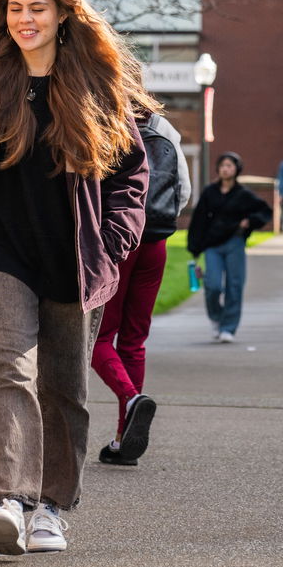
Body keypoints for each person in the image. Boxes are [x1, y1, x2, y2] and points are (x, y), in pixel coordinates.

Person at [0, 0, 148, 557]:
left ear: (61, 16)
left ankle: (53, 507)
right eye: (15, 8)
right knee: (10, 372)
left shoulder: (96, 84)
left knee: (65, 387)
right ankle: (8, 501)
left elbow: (132, 174)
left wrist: (115, 240)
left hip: (76, 256)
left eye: (37, 9)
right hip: (0, 252)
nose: (24, 19)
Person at [94, 108, 190, 466]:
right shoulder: (164, 126)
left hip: (120, 239)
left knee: (99, 337)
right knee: (134, 341)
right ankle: (122, 440)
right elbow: (184, 189)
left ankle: (131, 397)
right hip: (157, 242)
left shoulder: (106, 118)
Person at [186, 152, 271, 343]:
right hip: (213, 245)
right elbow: (198, 220)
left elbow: (265, 211)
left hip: (234, 242)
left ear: (236, 169)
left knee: (234, 285)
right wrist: (195, 246)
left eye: (230, 165)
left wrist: (249, 222)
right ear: (218, 169)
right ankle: (216, 318)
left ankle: (228, 327)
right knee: (213, 285)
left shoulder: (243, 194)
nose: (226, 169)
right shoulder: (210, 192)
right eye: (222, 165)